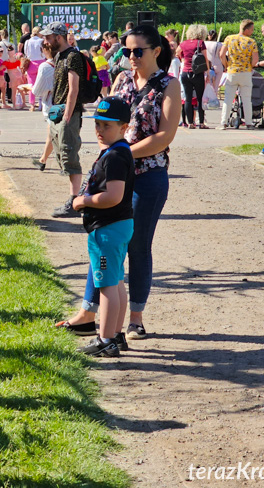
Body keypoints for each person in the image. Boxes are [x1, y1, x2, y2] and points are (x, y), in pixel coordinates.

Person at [56, 25, 180, 340]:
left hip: (148, 177)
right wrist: (108, 152)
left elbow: (164, 137)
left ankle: (135, 318)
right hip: (114, 172)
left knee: (138, 245)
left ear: (156, 51)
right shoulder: (122, 79)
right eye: (127, 51)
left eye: (138, 51)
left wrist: (121, 153)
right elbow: (107, 120)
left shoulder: (169, 85)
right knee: (104, 241)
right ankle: (87, 314)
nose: (132, 57)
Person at [71, 96, 135, 357]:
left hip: (108, 228)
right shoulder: (117, 151)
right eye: (97, 123)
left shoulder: (116, 156)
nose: (99, 129)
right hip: (116, 226)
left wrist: (82, 201)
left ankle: (105, 339)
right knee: (116, 281)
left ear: (123, 127)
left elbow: (114, 196)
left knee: (107, 285)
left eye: (107, 125)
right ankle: (116, 335)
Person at [43, 22, 89, 218]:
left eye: (48, 37)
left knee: (70, 155)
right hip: (58, 112)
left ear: (58, 37)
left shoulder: (72, 56)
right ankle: (77, 197)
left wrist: (68, 115)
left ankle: (75, 202)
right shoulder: (59, 55)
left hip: (68, 113)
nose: (45, 41)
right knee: (62, 155)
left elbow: (73, 88)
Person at [218, 20, 259, 130]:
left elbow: (221, 54)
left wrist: (226, 65)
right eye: (251, 29)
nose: (252, 31)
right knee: (246, 99)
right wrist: (250, 66)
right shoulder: (251, 42)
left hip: (232, 71)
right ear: (246, 30)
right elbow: (255, 60)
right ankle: (249, 123)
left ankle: (223, 122)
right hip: (246, 72)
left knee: (228, 98)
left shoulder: (229, 38)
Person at [176, 24, 211, 128]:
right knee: (200, 98)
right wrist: (208, 73)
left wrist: (184, 58)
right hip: (197, 73)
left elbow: (177, 52)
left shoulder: (183, 43)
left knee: (188, 98)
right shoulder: (200, 43)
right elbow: (205, 59)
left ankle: (190, 122)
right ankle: (201, 122)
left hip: (185, 72)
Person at [30, 41, 55, 171]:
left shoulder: (45, 66)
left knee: (52, 133)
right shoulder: (66, 62)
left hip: (52, 104)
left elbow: (37, 90)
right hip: (68, 102)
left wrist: (29, 88)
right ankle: (43, 159)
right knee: (53, 133)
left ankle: (44, 160)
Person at [23, 27, 45, 110]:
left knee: (31, 85)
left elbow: (26, 52)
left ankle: (32, 104)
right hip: (41, 62)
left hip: (31, 63)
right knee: (42, 84)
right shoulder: (41, 41)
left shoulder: (27, 42)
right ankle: (41, 103)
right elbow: (44, 52)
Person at [204, 30, 225, 96]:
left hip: (207, 65)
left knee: (206, 86)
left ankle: (205, 101)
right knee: (215, 87)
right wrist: (225, 65)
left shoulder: (204, 43)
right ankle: (214, 101)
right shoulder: (219, 44)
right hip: (217, 64)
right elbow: (222, 55)